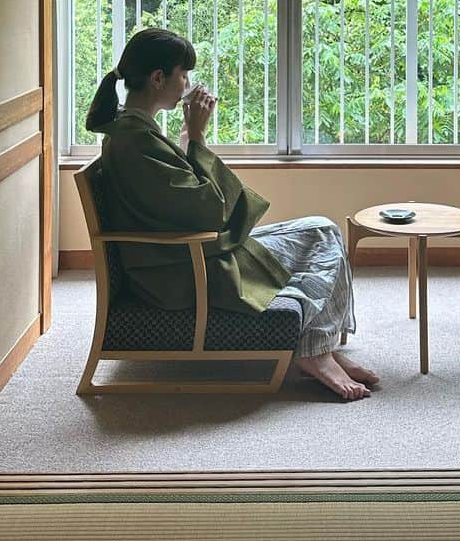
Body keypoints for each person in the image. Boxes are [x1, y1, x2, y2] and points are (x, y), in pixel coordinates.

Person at [86, 27, 378, 402]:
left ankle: (320, 347)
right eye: (183, 74)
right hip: (185, 266)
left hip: (187, 251)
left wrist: (188, 141)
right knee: (322, 233)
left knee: (322, 229)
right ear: (159, 78)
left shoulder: (135, 131)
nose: (187, 84)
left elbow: (182, 196)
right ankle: (316, 354)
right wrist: (197, 136)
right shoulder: (135, 141)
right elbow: (208, 210)